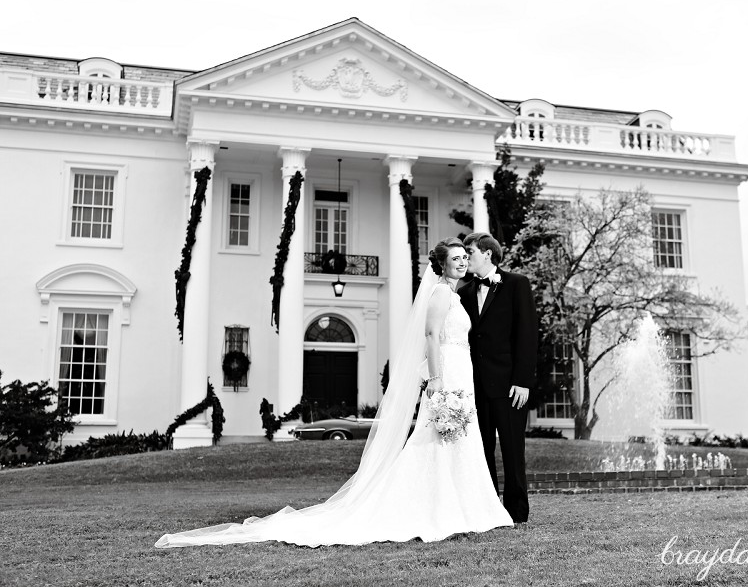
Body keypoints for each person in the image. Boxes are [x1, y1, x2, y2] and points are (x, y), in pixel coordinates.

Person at [155, 238, 512, 548]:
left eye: (465, 258)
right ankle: (435, 506)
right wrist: (435, 379)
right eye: (456, 259)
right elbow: (432, 337)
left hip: (461, 372)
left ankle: (463, 505)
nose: (463, 262)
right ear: (442, 265)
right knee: (436, 438)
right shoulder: (438, 294)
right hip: (446, 372)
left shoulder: (452, 294)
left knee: (456, 439)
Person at [458, 232, 538, 524]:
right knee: (482, 451)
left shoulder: (517, 284)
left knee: (513, 449)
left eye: (471, 252)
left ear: (487, 254)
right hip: (476, 387)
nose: (467, 258)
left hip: (510, 385)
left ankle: (517, 512)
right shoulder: (464, 293)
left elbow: (527, 335)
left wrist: (523, 380)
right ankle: (489, 511)